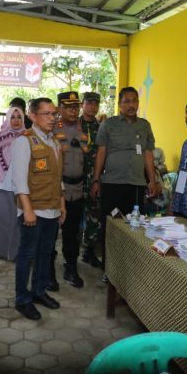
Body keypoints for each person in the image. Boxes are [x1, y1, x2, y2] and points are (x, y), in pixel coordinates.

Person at [91, 87, 160, 267]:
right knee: (110, 226)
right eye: (126, 101)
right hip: (112, 184)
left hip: (136, 185)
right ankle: (108, 268)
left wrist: (152, 181)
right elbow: (101, 153)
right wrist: (96, 180)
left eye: (134, 101)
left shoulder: (145, 126)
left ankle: (130, 270)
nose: (131, 105)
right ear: (119, 104)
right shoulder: (108, 124)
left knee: (134, 228)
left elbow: (148, 154)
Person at [11, 97, 66, 320]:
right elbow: (18, 180)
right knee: (27, 254)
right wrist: (27, 209)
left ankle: (39, 291)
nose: (52, 118)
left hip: (52, 209)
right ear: (32, 116)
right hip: (33, 210)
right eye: (47, 114)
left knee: (46, 253)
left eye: (54, 114)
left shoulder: (54, 142)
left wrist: (62, 203)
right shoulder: (24, 142)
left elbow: (57, 176)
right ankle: (22, 299)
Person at [54, 91, 89, 288]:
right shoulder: (52, 129)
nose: (73, 110)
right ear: (60, 108)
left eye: (76, 107)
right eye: (68, 107)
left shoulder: (84, 129)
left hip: (78, 189)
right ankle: (47, 269)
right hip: (57, 189)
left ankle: (71, 266)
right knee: (51, 231)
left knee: (72, 231)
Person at [0, 106, 25, 260]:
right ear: (8, 119)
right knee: (2, 217)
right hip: (4, 182)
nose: (16, 120)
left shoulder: (27, 135)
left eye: (19, 117)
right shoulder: (1, 135)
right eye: (13, 117)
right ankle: (0, 249)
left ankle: (15, 252)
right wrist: (5, 169)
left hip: (21, 183)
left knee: (18, 219)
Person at [79, 92, 102, 268]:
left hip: (94, 177)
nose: (93, 107)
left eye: (96, 104)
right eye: (89, 103)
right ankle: (70, 253)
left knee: (94, 214)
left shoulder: (101, 128)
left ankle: (89, 250)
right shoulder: (73, 125)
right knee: (72, 216)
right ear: (82, 104)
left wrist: (97, 179)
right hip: (75, 178)